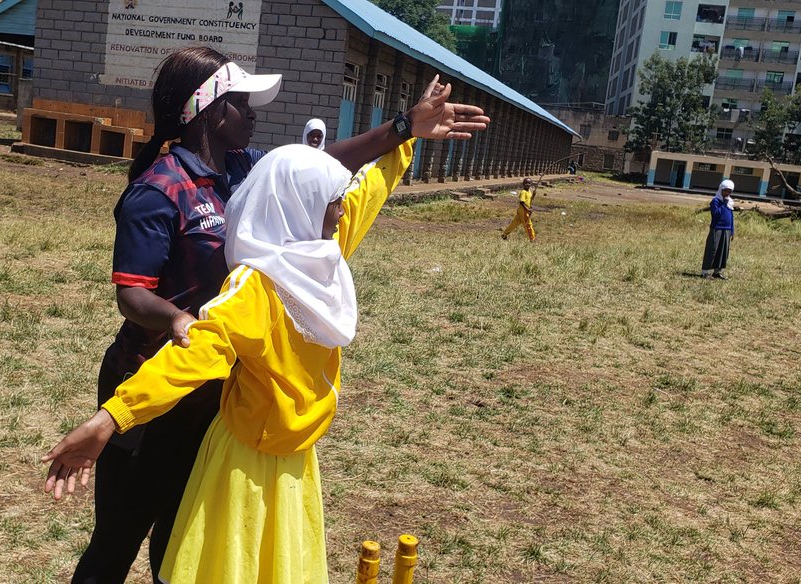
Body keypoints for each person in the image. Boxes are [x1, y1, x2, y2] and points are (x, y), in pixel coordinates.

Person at [63, 45, 489, 584]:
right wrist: (174, 323)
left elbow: (313, 178)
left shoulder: (245, 169)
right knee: (119, 535)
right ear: (214, 112)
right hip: (157, 378)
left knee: (179, 537)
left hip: (222, 394)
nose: (256, 113)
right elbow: (131, 294)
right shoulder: (159, 190)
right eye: (244, 103)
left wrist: (403, 130)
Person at [43, 140, 416, 583]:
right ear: (300, 206)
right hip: (245, 461)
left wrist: (409, 136)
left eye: (335, 203)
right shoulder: (254, 287)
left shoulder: (318, 258)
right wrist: (111, 418)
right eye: (331, 203)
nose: (339, 213)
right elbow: (196, 356)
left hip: (294, 457)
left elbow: (366, 196)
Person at [702, 179, 735, 279]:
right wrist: (723, 204)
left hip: (727, 230)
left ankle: (717, 271)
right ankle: (705, 272)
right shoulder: (715, 201)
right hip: (717, 229)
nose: (727, 193)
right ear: (721, 189)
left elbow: (731, 217)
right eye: (726, 190)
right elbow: (715, 214)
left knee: (723, 251)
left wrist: (732, 230)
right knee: (712, 249)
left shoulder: (730, 202)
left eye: (729, 191)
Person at [501, 177, 536, 242]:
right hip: (523, 211)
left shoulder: (529, 192)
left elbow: (530, 200)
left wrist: (533, 195)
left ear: (531, 184)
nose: (527, 184)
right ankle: (532, 238)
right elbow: (522, 202)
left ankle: (504, 234)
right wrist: (528, 209)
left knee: (514, 223)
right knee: (528, 224)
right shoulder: (523, 192)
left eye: (529, 183)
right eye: (526, 183)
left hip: (521, 211)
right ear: (523, 184)